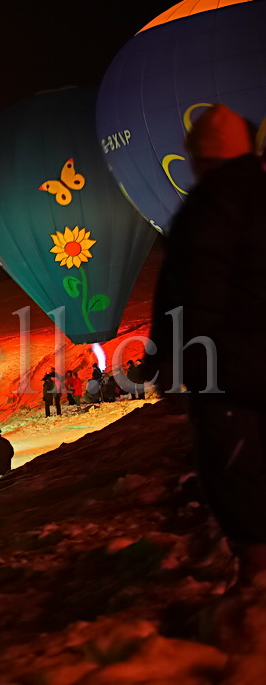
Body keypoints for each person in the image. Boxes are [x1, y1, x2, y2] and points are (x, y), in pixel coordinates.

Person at [148, 104, 266, 590]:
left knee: (233, 467)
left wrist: (171, 363)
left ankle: (256, 575)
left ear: (200, 157)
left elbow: (191, 293)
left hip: (230, 368)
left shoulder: (209, 206)